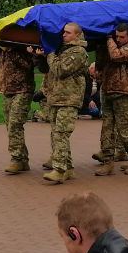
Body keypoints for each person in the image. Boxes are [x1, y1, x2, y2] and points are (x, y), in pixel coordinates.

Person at [40, 23, 88, 184]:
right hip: (56, 98)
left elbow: (61, 70)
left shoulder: (78, 52)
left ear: (77, 35)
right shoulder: (63, 50)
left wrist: (50, 54)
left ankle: (59, 170)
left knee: (61, 133)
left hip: (69, 99)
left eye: (67, 33)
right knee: (56, 134)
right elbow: (47, 70)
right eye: (63, 32)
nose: (63, 35)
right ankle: (68, 168)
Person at [94, 24, 128, 177]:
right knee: (106, 129)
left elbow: (116, 55)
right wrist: (101, 46)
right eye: (117, 36)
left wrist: (108, 38)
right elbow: (101, 64)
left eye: (122, 37)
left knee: (124, 131)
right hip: (107, 91)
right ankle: (108, 161)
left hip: (123, 93)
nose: (119, 39)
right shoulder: (111, 44)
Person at [0, 39, 37, 174]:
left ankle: (17, 159)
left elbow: (29, 66)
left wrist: (12, 48)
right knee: (10, 125)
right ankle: (23, 160)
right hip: (7, 91)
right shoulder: (3, 51)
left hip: (23, 90)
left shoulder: (22, 49)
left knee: (15, 124)